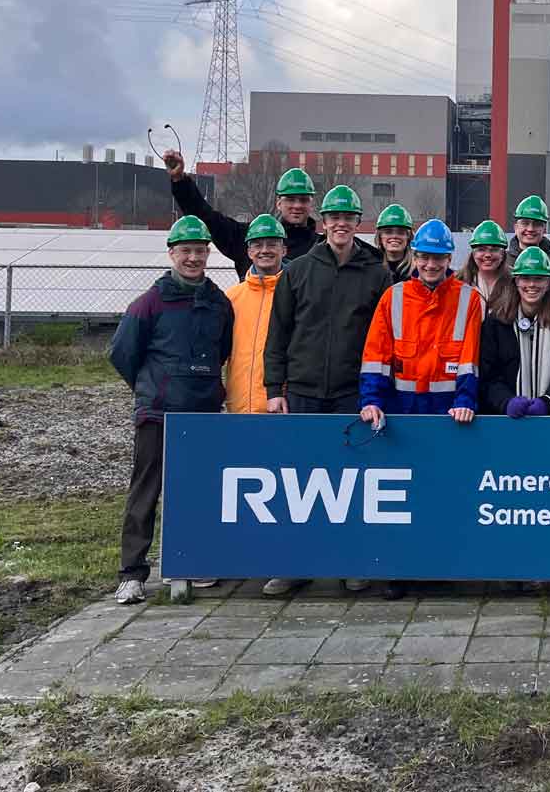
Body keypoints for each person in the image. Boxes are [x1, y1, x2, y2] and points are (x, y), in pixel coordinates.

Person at [260, 184, 390, 596]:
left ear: (357, 222)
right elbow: (277, 333)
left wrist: (376, 392)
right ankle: (295, 565)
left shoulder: (376, 273)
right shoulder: (297, 270)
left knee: (350, 481)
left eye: (348, 218)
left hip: (351, 391)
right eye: (333, 217)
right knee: (300, 480)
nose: (340, 224)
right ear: (324, 221)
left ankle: (351, 564)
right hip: (302, 389)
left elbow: (384, 337)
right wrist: (273, 387)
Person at [107, 216, 233, 604]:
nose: (193, 258)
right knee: (147, 489)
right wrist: (151, 388)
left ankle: (194, 560)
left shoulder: (218, 303)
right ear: (172, 254)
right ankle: (132, 572)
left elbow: (223, 349)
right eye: (186, 251)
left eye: (199, 251)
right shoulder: (149, 303)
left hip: (203, 414)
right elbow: (122, 353)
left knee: (199, 491)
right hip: (159, 414)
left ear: (207, 253)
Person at [360, 219, 482, 600]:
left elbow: (470, 358)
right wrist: (371, 402)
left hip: (446, 413)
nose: (431, 265)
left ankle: (440, 567)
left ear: (450, 259)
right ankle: (400, 571)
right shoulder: (393, 298)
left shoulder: (468, 298)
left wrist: (465, 401)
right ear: (415, 256)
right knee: (403, 498)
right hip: (403, 412)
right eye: (426, 257)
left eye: (439, 258)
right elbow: (376, 356)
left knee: (445, 493)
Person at [163, 152, 320, 279]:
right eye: (291, 199)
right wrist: (180, 181)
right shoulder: (246, 237)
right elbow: (205, 216)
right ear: (278, 202)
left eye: (303, 199)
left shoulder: (322, 247)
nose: (297, 205)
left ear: (311, 203)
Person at [481, 246, 550, 418]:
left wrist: (548, 402)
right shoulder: (495, 323)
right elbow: (488, 376)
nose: (531, 285)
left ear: (548, 283)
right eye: (525, 278)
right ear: (516, 282)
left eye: (538, 279)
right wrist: (506, 402)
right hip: (504, 421)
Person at [223, 215, 287, 415]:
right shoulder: (232, 297)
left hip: (279, 407)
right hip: (239, 407)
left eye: (272, 244)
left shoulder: (296, 295)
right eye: (257, 245)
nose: (265, 250)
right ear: (249, 252)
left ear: (284, 250)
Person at [460, 219, 513, 312]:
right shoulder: (459, 282)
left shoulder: (514, 283)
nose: (488, 255)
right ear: (473, 253)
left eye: (494, 249)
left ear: (503, 254)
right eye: (481, 249)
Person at [507, 194, 550, 265]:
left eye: (537, 224)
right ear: (516, 227)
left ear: (544, 229)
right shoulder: (502, 262)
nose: (530, 229)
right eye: (525, 223)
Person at [374, 203, 415, 285]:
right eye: (388, 232)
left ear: (408, 237)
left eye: (400, 232)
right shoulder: (370, 267)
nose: (394, 236)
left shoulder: (418, 272)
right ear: (380, 237)